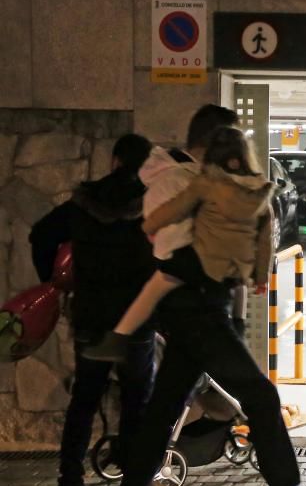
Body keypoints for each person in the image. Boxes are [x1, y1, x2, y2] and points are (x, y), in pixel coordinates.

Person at [102, 105, 306, 486]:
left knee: (164, 409)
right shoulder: (178, 182)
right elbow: (172, 249)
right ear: (212, 145)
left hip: (199, 308)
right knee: (261, 395)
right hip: (197, 308)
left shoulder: (190, 180)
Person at [28, 134, 185, 486]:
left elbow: (40, 235)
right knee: (138, 402)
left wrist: (57, 278)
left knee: (85, 398)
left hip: (92, 315)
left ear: (114, 161)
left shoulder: (82, 204)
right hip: (137, 318)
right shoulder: (153, 203)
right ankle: (137, 484)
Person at [82, 127, 274, 362]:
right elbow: (265, 239)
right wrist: (262, 276)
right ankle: (238, 326)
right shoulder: (259, 191)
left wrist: (149, 226)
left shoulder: (206, 183)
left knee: (158, 284)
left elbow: (175, 209)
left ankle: (119, 337)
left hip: (203, 259)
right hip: (235, 266)